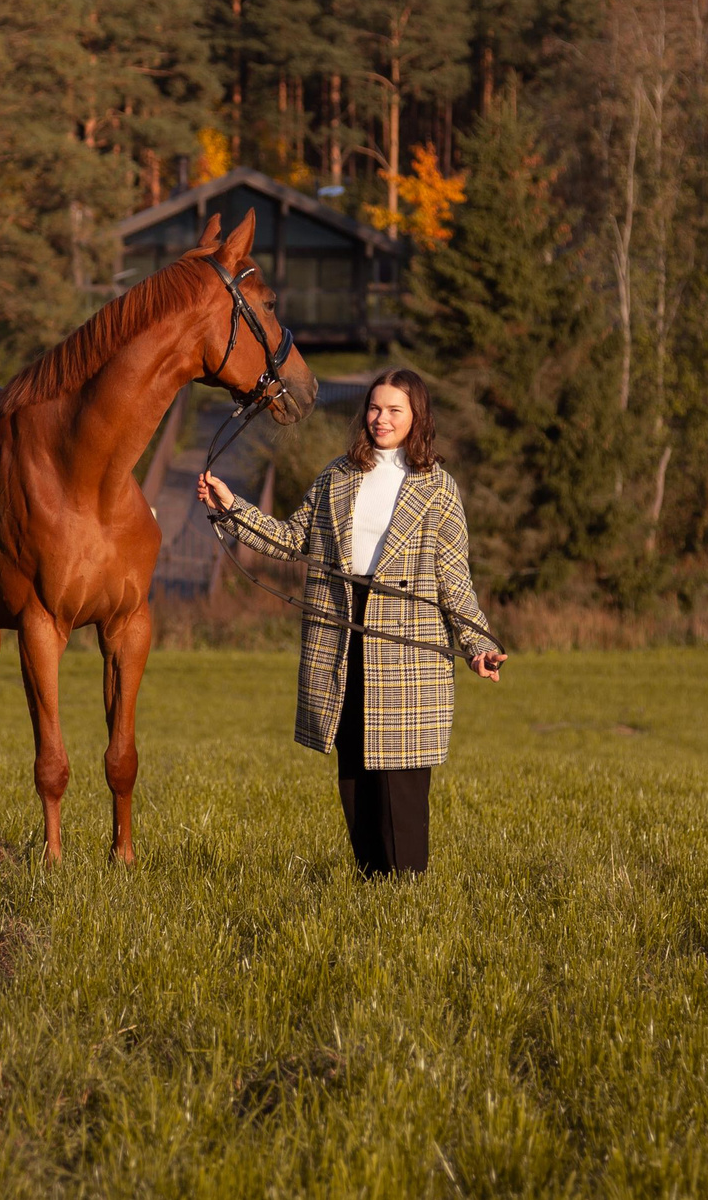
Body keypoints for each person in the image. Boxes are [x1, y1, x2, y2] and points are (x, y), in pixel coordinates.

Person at [196, 368, 504, 877]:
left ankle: (406, 888)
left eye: (394, 411)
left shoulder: (438, 488)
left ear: (417, 418)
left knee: (400, 774)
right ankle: (370, 880)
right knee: (355, 766)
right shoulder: (337, 475)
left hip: (406, 642)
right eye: (375, 408)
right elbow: (293, 540)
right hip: (339, 634)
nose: (381, 419)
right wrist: (232, 507)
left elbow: (454, 579)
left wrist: (477, 643)